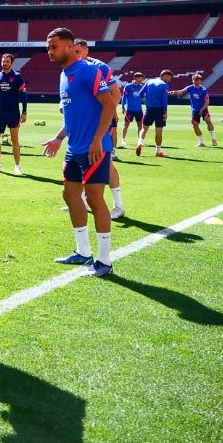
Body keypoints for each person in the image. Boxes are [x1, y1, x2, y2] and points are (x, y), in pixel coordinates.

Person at [42, 28, 118, 278]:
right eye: (48, 48)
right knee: (70, 194)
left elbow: (109, 104)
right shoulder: (64, 75)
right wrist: (58, 137)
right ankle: (83, 251)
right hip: (73, 149)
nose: (49, 52)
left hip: (94, 149)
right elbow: (73, 115)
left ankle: (104, 261)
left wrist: (98, 139)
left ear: (69, 46)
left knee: (95, 200)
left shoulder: (88, 71)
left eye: (53, 47)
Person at [73, 40, 126, 219]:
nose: (76, 54)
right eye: (74, 51)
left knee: (107, 164)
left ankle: (118, 205)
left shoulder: (99, 67)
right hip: (81, 124)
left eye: (78, 51)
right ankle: (82, 199)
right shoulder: (72, 67)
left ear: (86, 51)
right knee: (80, 160)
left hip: (100, 124)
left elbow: (116, 93)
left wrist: (109, 113)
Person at [0, 53, 27, 175]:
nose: (4, 63)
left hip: (13, 113)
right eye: (3, 61)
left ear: (11, 63)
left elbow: (24, 96)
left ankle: (17, 166)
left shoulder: (17, 77)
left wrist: (24, 112)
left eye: (7, 61)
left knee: (15, 139)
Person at [169, 73, 217, 147]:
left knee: (208, 121)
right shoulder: (190, 88)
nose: (196, 82)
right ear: (192, 80)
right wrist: (174, 92)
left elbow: (207, 102)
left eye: (197, 80)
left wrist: (201, 110)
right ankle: (201, 142)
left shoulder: (204, 90)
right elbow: (182, 91)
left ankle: (213, 139)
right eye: (194, 80)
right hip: (195, 110)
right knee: (195, 125)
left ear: (200, 81)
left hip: (203, 108)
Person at [136, 70, 173, 157]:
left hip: (149, 109)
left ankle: (139, 142)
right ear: (165, 75)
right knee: (159, 130)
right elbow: (164, 100)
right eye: (169, 78)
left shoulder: (149, 81)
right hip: (159, 110)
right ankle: (158, 151)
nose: (169, 80)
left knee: (144, 128)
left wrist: (146, 102)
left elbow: (140, 94)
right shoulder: (165, 85)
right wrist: (165, 112)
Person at [119, 72, 145, 147]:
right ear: (136, 78)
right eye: (140, 78)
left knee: (140, 125)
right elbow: (124, 97)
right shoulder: (128, 86)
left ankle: (139, 140)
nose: (142, 80)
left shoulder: (141, 87)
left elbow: (143, 98)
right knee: (126, 124)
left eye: (142, 79)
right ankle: (123, 139)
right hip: (130, 109)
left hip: (139, 110)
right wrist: (123, 107)